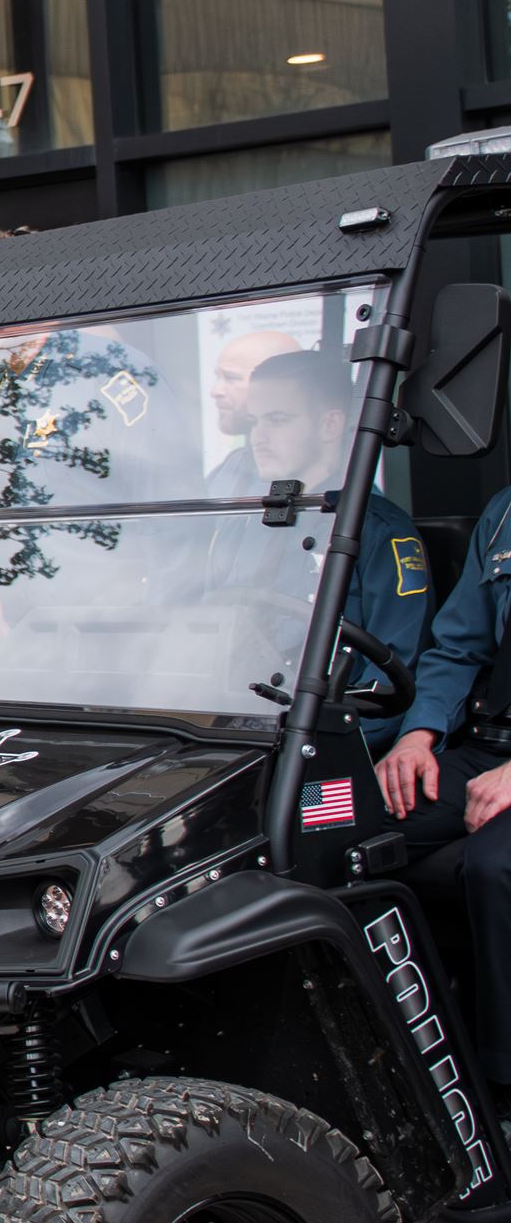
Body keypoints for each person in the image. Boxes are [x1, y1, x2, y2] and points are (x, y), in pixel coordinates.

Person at [374, 481, 511, 1094]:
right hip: (489, 742)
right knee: (348, 830)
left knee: (496, 865)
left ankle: (499, 1089)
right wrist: (418, 734)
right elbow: (458, 646)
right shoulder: (504, 511)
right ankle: (391, 1064)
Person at [217, 349, 425, 750]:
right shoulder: (239, 526)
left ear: (330, 424)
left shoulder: (379, 533)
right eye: (255, 421)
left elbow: (393, 684)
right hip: (233, 734)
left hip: (321, 745)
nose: (258, 437)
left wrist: (319, 739)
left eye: (278, 420)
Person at [206, 329, 299, 497]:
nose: (215, 391)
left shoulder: (304, 472)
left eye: (231, 378)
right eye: (218, 377)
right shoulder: (230, 467)